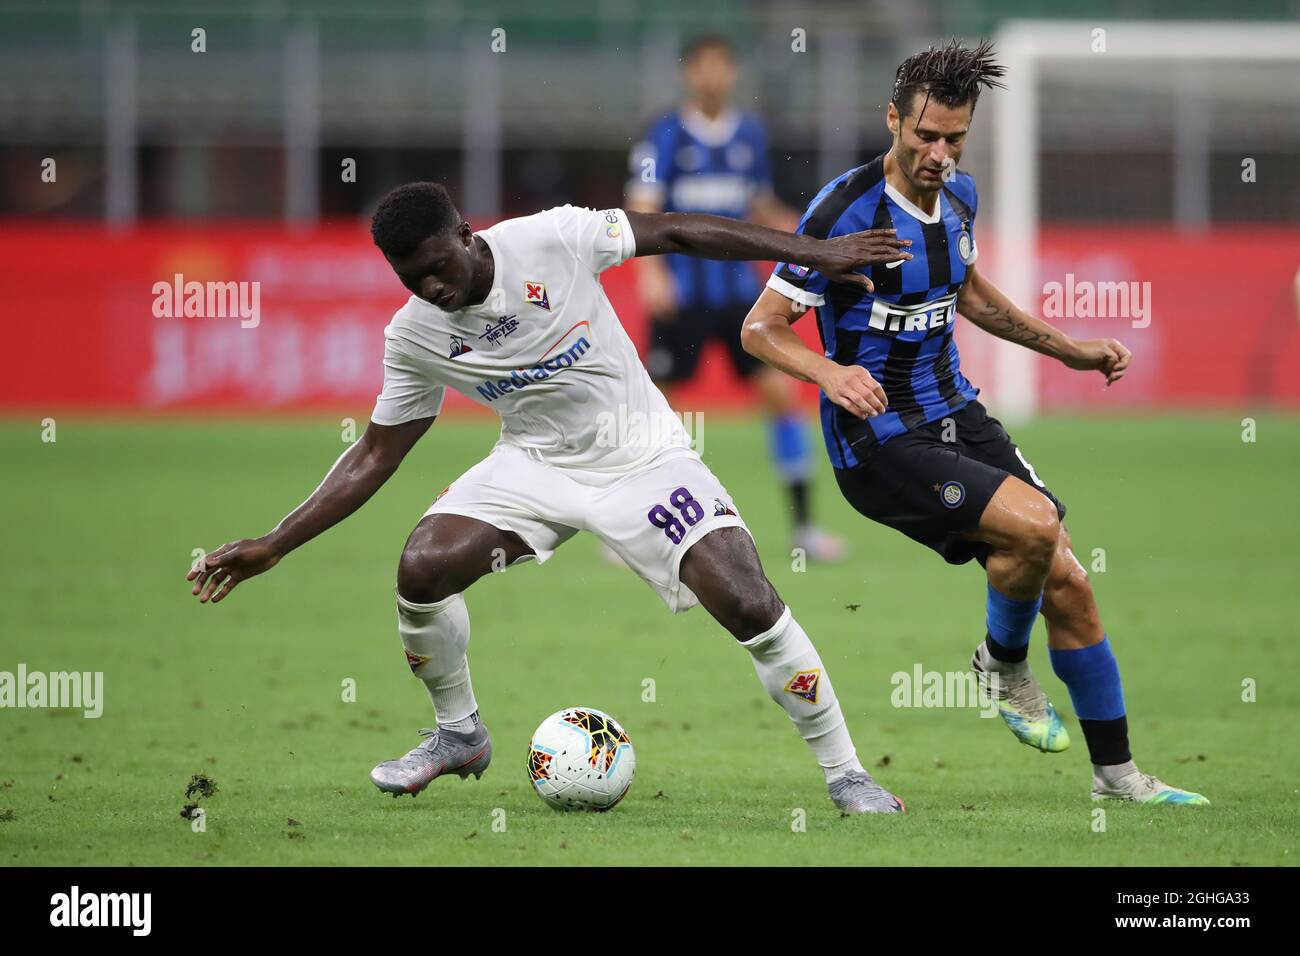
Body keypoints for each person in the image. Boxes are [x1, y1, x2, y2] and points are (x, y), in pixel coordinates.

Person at [186, 182, 913, 812]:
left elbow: (677, 230)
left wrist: (812, 252)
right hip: (531, 466)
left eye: (439, 266)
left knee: (747, 600)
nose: (433, 288)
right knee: (423, 566)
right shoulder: (414, 336)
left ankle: (848, 776)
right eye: (414, 279)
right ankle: (459, 734)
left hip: (643, 455)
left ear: (467, 235)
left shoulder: (551, 238)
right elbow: (378, 452)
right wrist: (274, 544)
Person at [741, 40, 1207, 806]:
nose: (938, 152)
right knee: (1034, 527)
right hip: (878, 438)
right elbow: (761, 328)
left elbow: (972, 295)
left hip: (957, 411)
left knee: (1067, 578)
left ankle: (1117, 777)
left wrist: (1069, 351)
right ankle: (1000, 664)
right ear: (893, 119)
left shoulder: (961, 198)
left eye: (954, 138)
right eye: (924, 136)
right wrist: (831, 373)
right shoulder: (842, 210)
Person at [627, 34, 844, 561]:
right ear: (689, 74)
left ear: (732, 74)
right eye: (703, 68)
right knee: (662, 413)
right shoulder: (663, 135)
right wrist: (651, 275)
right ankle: (640, 531)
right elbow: (642, 207)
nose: (712, 77)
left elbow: (759, 204)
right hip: (682, 292)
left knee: (779, 396)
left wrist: (808, 242)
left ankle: (803, 528)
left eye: (721, 68)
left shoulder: (750, 134)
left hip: (740, 297)